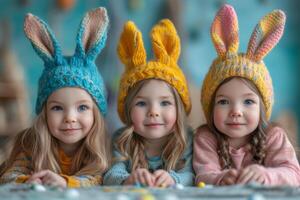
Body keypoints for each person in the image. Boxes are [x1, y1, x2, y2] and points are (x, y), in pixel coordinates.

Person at [0, 7, 111, 188]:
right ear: (44, 112)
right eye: (57, 108)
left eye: (82, 107)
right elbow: (8, 176)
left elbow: (98, 178)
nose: (70, 118)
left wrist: (66, 182)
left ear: (96, 112)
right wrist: (27, 180)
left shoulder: (98, 147)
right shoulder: (31, 144)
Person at [193, 4, 300, 186]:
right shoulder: (206, 138)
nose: (236, 111)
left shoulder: (273, 136)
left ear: (263, 107)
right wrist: (220, 178)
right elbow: (203, 175)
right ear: (210, 107)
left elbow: (293, 174)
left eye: (248, 101)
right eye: (224, 101)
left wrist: (266, 175)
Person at [103, 19, 194, 187]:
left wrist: (174, 178)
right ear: (128, 109)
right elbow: (110, 175)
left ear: (179, 109)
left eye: (165, 103)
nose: (154, 112)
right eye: (142, 104)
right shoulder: (122, 140)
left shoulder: (186, 140)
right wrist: (128, 178)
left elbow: (192, 175)